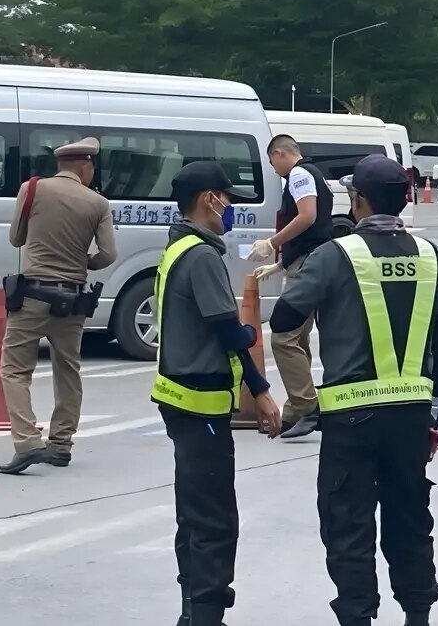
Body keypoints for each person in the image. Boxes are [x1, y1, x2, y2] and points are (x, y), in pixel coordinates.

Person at [269, 155, 438, 626]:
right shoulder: (433, 257)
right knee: (409, 518)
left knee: (348, 523)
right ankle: (417, 615)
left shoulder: (335, 255)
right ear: (407, 199)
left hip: (350, 418)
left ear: (359, 201)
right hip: (412, 416)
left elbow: (284, 318)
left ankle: (357, 618)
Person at [152, 161, 282, 626]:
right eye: (226, 198)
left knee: (195, 514)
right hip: (200, 402)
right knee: (213, 519)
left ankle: (194, 610)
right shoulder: (202, 256)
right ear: (210, 198)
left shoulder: (178, 246)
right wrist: (249, 333)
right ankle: (204, 614)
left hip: (180, 398)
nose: (229, 207)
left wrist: (260, 388)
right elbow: (228, 332)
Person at [0, 137, 117, 475]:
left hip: (33, 296)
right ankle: (61, 444)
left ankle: (27, 442)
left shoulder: (33, 189)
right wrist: (84, 262)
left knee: (14, 370)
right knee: (68, 370)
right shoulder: (97, 203)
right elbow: (108, 254)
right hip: (73, 300)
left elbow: (16, 238)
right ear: (85, 166)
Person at [247, 134, 335, 438]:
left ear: (281, 153)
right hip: (310, 261)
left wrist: (272, 242)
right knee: (299, 338)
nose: (273, 168)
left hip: (309, 265)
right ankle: (298, 409)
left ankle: (307, 406)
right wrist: (281, 264)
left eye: (272, 161)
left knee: (284, 337)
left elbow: (308, 217)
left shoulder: (298, 174)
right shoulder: (314, 174)